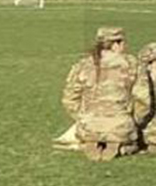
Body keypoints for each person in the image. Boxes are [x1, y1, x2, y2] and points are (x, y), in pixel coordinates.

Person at [60, 27, 143, 161]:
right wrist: (135, 121)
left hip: (88, 124)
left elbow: (69, 98)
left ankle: (91, 141)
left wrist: (81, 117)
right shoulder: (132, 64)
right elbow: (143, 100)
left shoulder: (83, 64)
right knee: (131, 139)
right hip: (121, 124)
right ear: (116, 44)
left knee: (92, 129)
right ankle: (120, 145)